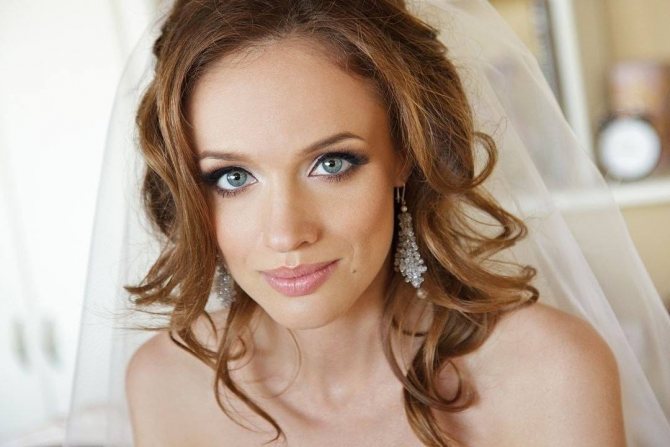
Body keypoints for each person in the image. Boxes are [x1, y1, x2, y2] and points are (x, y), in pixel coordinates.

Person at [64, 1, 670, 446]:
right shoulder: (166, 382)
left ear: (406, 153)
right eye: (232, 177)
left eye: (331, 164)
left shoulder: (550, 372)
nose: (286, 233)